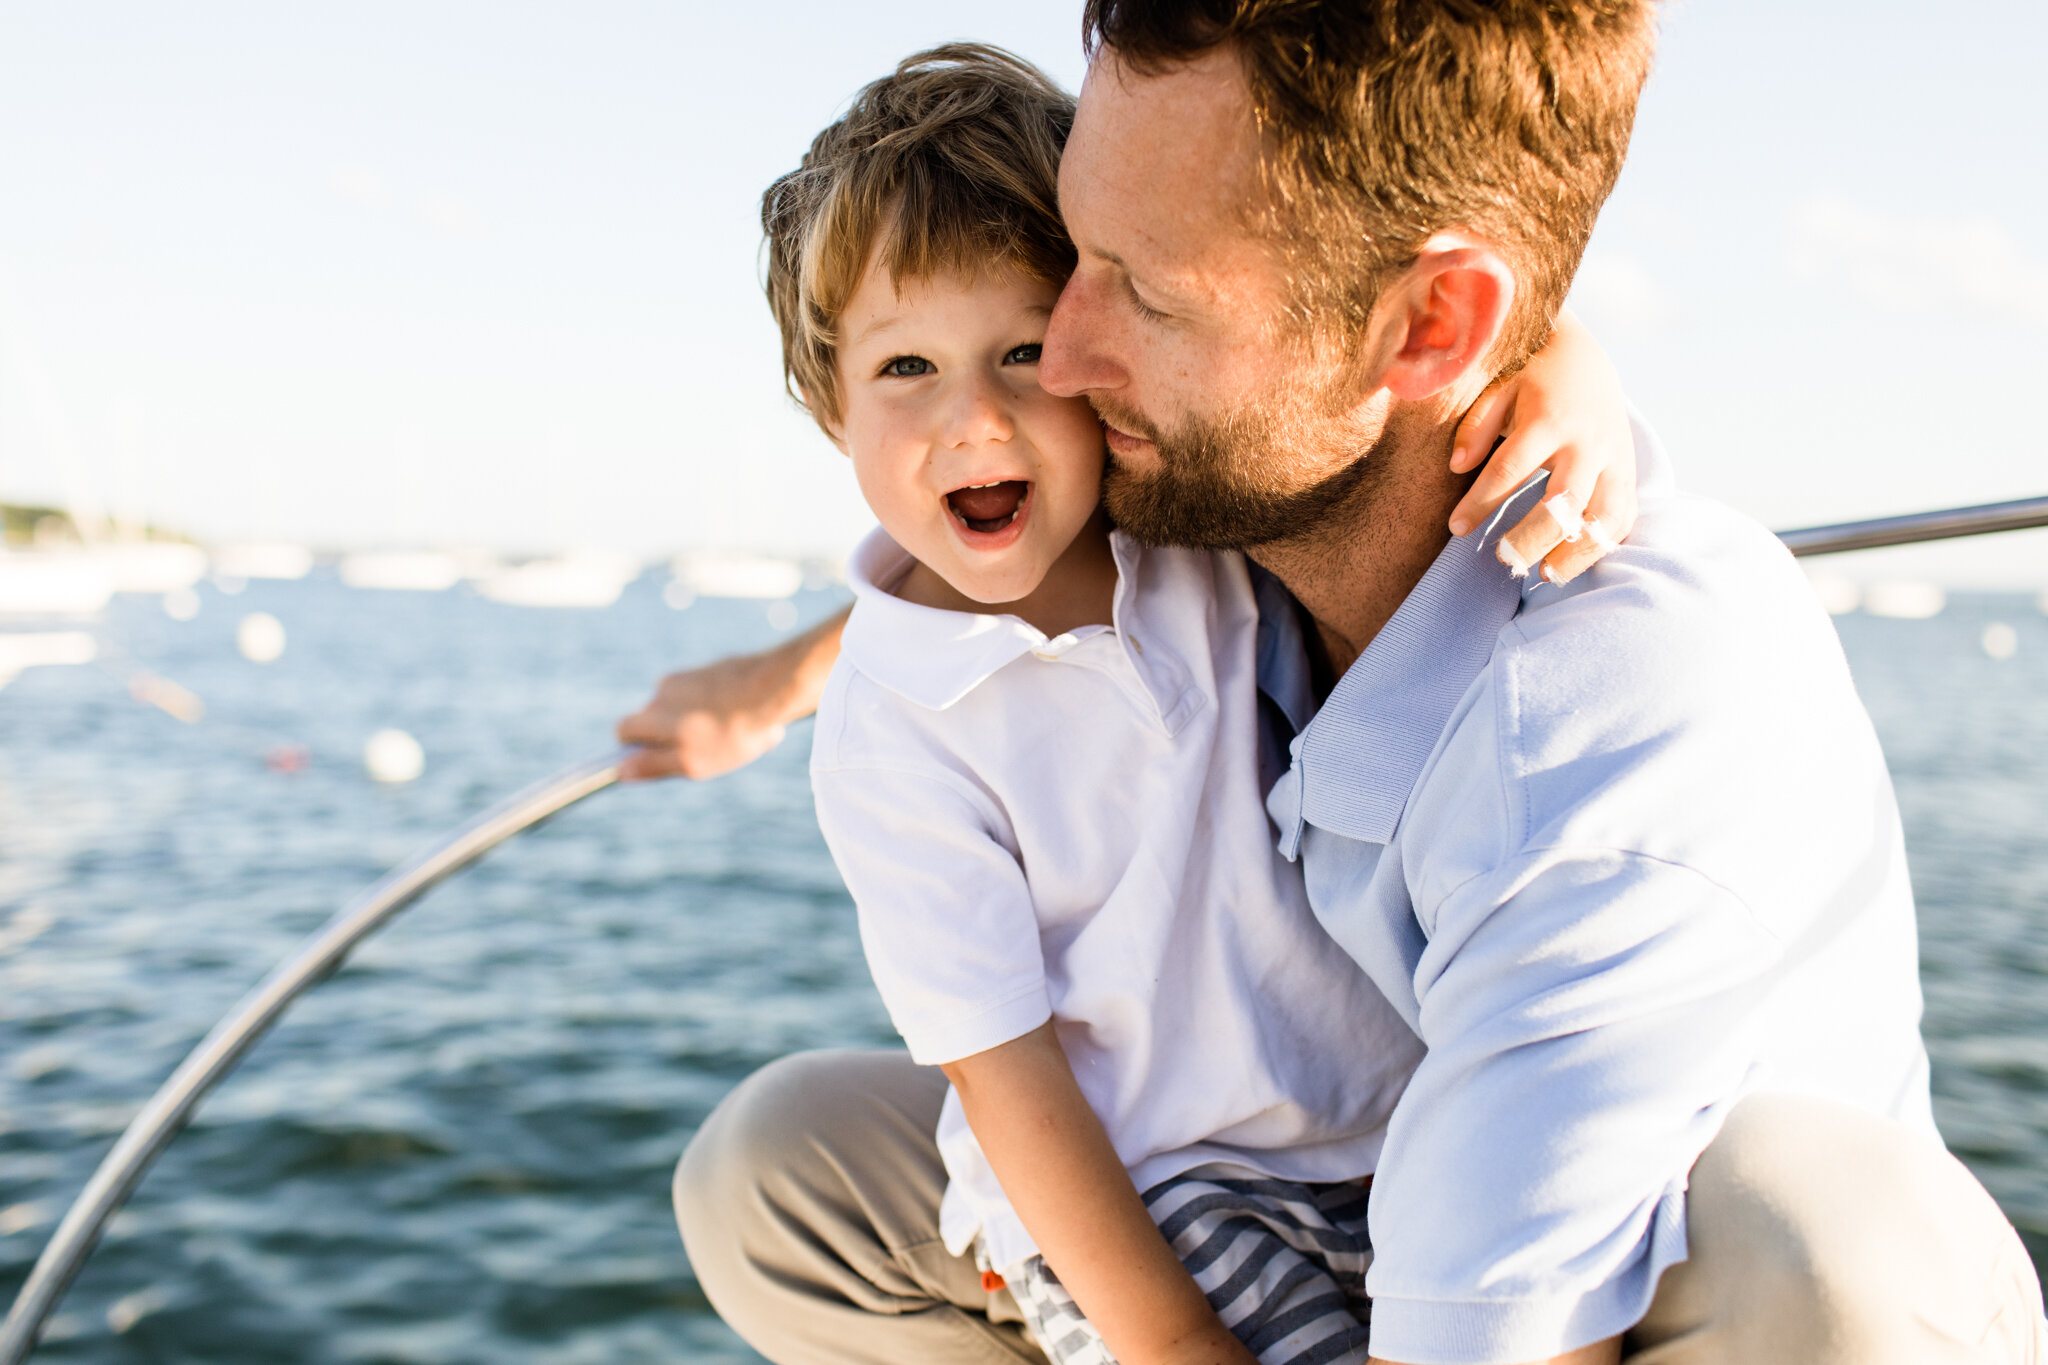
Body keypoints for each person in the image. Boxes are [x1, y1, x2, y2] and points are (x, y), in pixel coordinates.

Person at [632, 5, 2048, 1365]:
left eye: (1141, 289)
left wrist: (1565, 360)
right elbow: (991, 601)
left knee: (1832, 1244)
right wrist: (798, 665)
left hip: (1677, 1291)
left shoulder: (1601, 739)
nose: (1056, 361)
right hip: (1264, 1172)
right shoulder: (1230, 503)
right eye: (1081, 259)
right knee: (775, 1166)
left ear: (1433, 329)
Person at [691, 42, 1637, 1365]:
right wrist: (1172, 1337)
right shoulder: (893, 732)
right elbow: (1004, 1074)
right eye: (906, 368)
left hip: (1384, 1125)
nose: (976, 421)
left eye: (1024, 349)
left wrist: (1570, 372)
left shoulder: (1186, 534)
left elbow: (1411, 322)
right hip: (1146, 1191)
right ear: (824, 401)